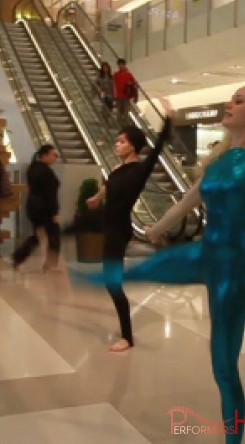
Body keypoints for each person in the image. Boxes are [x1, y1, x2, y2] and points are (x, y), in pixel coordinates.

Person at [76, 37, 245, 443]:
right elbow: (189, 200)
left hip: (234, 269)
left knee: (223, 366)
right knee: (138, 271)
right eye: (231, 99)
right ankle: (96, 283)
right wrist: (155, 229)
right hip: (206, 252)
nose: (229, 104)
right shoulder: (219, 160)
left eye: (238, 100)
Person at [84, 99, 173, 353]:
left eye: (122, 141)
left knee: (113, 283)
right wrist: (96, 198)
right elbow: (108, 187)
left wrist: (168, 118)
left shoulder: (139, 169)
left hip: (119, 229)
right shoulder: (118, 169)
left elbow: (158, 147)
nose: (117, 143)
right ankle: (126, 332)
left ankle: (128, 337)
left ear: (133, 146)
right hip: (109, 227)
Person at [13, 144, 60, 271]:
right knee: (53, 234)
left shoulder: (33, 168)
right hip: (44, 209)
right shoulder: (45, 172)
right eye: (54, 155)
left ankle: (18, 257)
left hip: (34, 207)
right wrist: (55, 212)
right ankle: (51, 264)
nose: (56, 157)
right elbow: (50, 194)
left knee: (39, 235)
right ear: (44, 156)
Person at [113, 58, 137, 127]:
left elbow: (134, 83)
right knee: (119, 112)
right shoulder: (116, 74)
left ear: (124, 65)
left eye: (122, 64)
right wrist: (114, 95)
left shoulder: (129, 74)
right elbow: (113, 85)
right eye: (119, 64)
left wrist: (130, 83)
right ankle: (118, 125)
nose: (120, 66)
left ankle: (126, 126)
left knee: (126, 112)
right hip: (118, 96)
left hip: (126, 96)